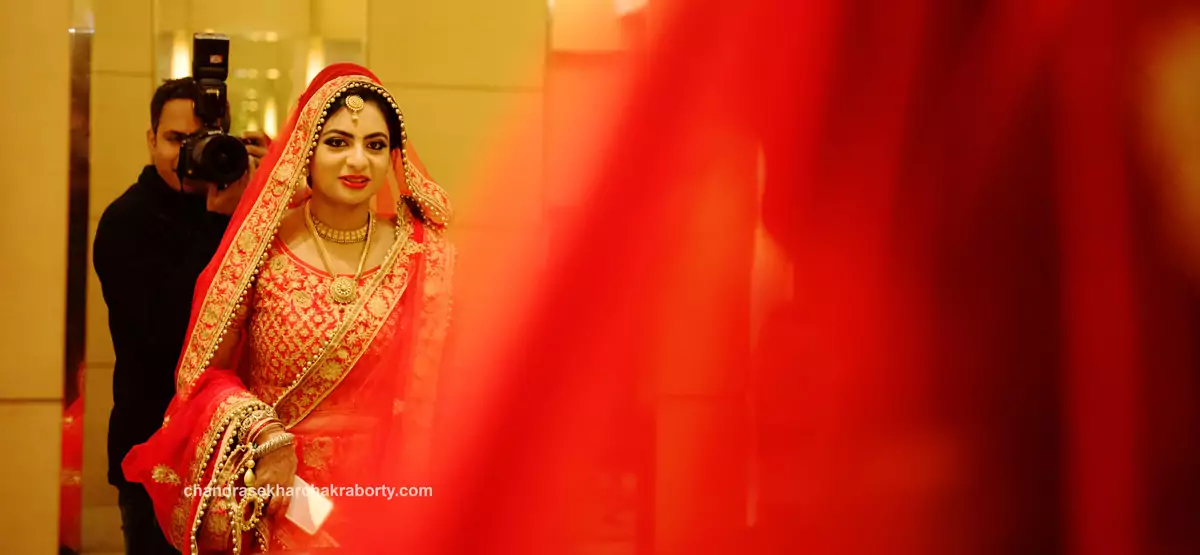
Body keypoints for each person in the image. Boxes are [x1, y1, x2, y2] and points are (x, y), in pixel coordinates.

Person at [120, 63, 455, 553]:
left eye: (376, 145)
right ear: (306, 151)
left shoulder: (423, 257)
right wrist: (263, 433)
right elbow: (203, 375)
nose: (357, 161)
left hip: (385, 496)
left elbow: (448, 387)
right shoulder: (262, 246)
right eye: (338, 142)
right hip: (280, 495)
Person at [94, 77, 269, 555]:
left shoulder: (242, 211)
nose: (190, 155)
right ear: (151, 139)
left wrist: (274, 191)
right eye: (175, 140)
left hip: (237, 453)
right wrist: (224, 220)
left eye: (204, 142)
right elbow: (173, 335)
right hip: (154, 447)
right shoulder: (126, 221)